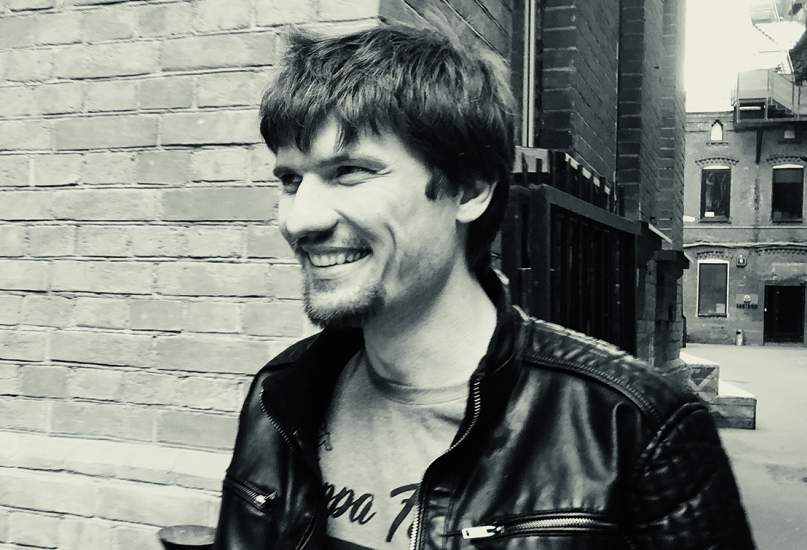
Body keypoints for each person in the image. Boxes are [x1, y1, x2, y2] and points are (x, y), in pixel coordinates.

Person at [213, 21, 755, 550]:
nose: (299, 220)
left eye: (350, 171)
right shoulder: (279, 397)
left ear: (469, 191)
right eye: (291, 179)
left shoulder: (631, 428)